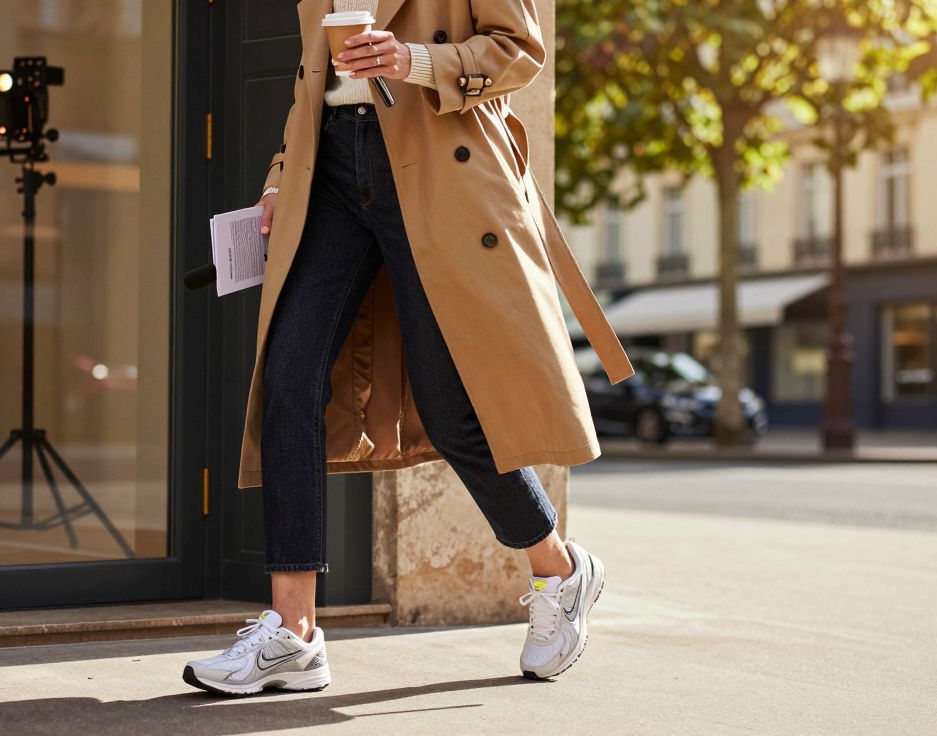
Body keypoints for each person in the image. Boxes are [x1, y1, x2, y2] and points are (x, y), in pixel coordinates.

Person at [183, 0, 624, 696]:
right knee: (289, 381)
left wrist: (414, 60)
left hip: (436, 167)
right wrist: (277, 180)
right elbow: (311, 86)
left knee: (452, 411)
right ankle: (293, 633)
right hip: (329, 173)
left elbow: (520, 50)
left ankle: (560, 570)